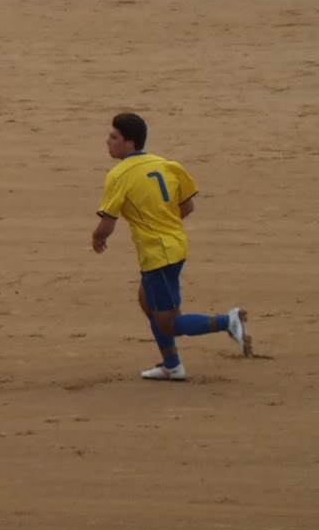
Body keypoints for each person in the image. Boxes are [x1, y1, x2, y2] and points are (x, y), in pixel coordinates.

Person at [91, 112, 249, 380]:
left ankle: (228, 322)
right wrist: (164, 224)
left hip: (158, 254)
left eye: (114, 137)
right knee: (146, 300)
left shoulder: (118, 175)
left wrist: (98, 238)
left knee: (169, 322)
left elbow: (107, 224)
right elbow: (187, 207)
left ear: (130, 143)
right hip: (175, 245)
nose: (108, 141)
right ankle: (172, 365)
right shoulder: (167, 164)